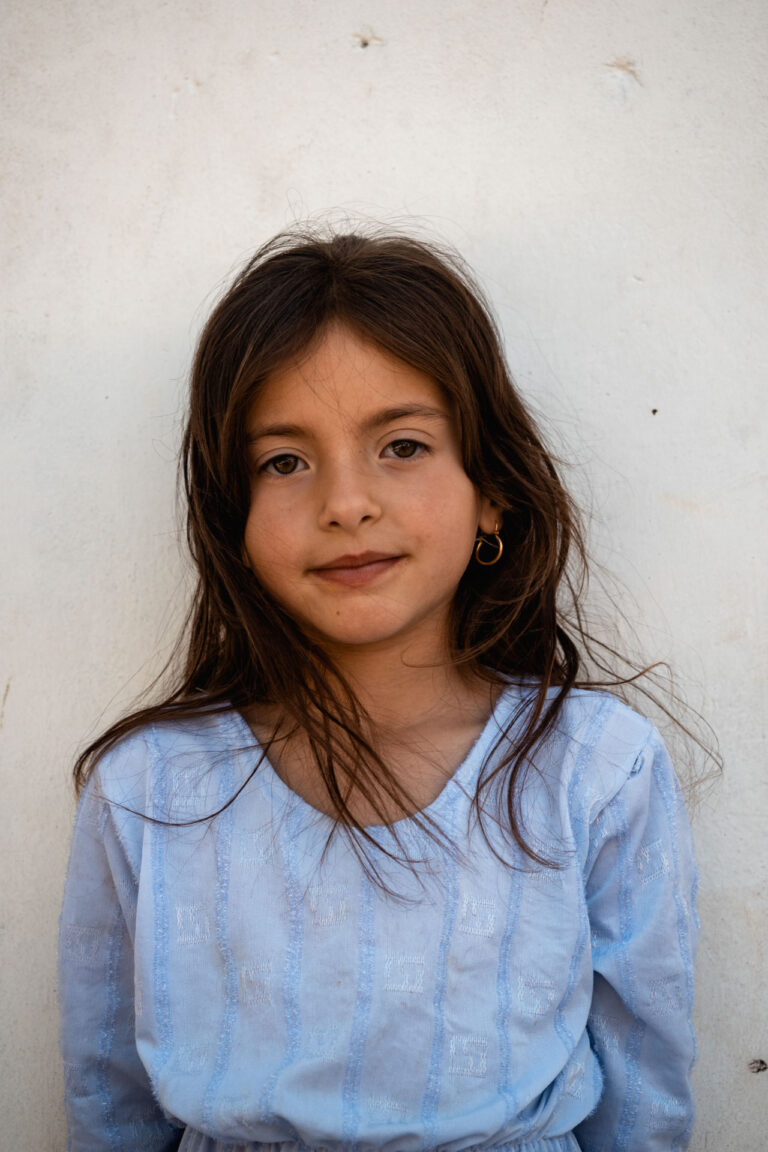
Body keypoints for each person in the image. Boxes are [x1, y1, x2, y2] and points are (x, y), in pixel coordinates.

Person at [59, 228, 700, 1152]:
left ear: (492, 491)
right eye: (284, 460)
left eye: (401, 445)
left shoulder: (596, 768)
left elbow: (646, 1100)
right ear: (232, 518)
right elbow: (105, 1101)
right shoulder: (150, 790)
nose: (346, 502)